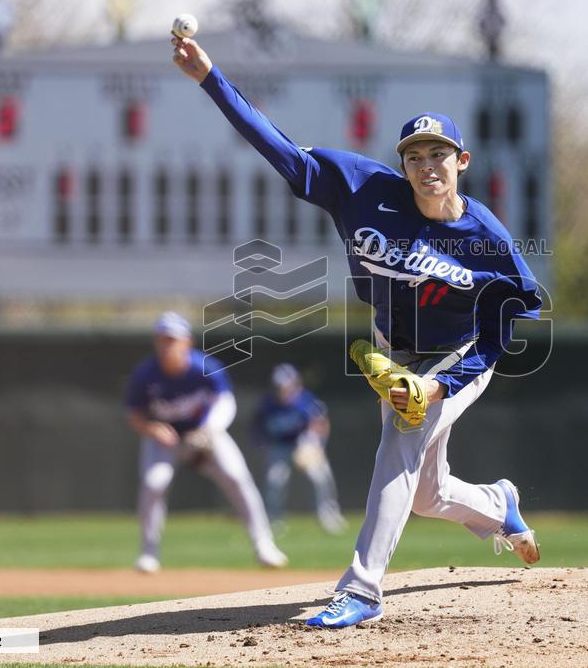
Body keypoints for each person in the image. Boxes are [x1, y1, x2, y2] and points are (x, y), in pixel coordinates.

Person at [171, 35, 542, 627]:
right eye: (415, 156)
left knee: (402, 432)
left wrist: (440, 389)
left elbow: (502, 331)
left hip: (460, 351)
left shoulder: (487, 240)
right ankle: (499, 503)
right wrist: (211, 79)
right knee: (426, 494)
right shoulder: (364, 191)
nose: (426, 166)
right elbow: (281, 151)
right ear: (403, 164)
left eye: (438, 154)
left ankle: (363, 589)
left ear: (462, 161)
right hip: (397, 344)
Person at [125, 311, 288, 572]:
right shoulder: (146, 374)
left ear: (186, 342)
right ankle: (148, 552)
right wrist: (152, 428)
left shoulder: (205, 367)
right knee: (154, 483)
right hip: (166, 440)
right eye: (163, 339)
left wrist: (209, 430)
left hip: (206, 435)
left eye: (173, 339)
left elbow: (225, 401)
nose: (167, 345)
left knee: (236, 477)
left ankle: (264, 545)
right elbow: (135, 415)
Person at [251, 363, 347, 535]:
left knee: (320, 477)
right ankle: (274, 520)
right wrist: (262, 446)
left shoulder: (306, 400)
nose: (283, 390)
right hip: (279, 445)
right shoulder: (267, 404)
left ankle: (328, 515)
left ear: (295, 384)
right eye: (279, 386)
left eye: (286, 385)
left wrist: (316, 444)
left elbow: (321, 423)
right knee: (275, 481)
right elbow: (257, 429)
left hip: (304, 443)